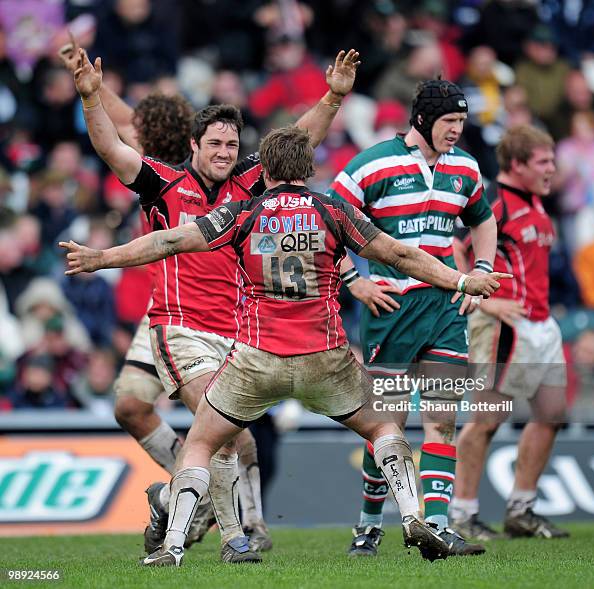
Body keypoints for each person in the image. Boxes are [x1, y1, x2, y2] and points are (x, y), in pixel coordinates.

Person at [60, 125, 509, 566]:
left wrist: (102, 258)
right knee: (383, 428)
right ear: (309, 168)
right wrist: (463, 279)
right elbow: (400, 255)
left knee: (200, 443)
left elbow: (172, 239)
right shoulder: (334, 211)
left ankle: (174, 545)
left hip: (257, 360)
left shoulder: (242, 212)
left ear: (266, 169)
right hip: (325, 358)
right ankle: (414, 516)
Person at [71, 45, 361, 561]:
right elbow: (111, 149)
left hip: (236, 334)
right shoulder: (162, 182)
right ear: (194, 145)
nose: (226, 152)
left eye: (232, 143)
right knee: (212, 430)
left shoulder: (250, 182)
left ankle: (171, 501)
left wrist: (334, 96)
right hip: (178, 328)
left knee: (229, 440)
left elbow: (298, 138)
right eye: (216, 144)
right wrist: (91, 98)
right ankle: (236, 538)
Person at [327, 79, 497, 556]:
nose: (457, 132)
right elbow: (328, 219)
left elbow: (482, 219)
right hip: (392, 309)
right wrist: (351, 281)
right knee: (387, 424)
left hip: (445, 307)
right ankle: (369, 522)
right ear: (422, 120)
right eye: (449, 122)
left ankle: (437, 526)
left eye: (461, 123)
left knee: (443, 420)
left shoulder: (464, 167)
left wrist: (480, 268)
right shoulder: (372, 163)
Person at [450, 125, 569, 540]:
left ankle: (521, 509)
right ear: (517, 165)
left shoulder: (535, 203)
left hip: (539, 323)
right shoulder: (496, 203)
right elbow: (455, 246)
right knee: (487, 419)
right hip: (506, 325)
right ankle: (462, 513)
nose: (552, 168)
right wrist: (483, 300)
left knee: (552, 415)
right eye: (543, 161)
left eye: (552, 160)